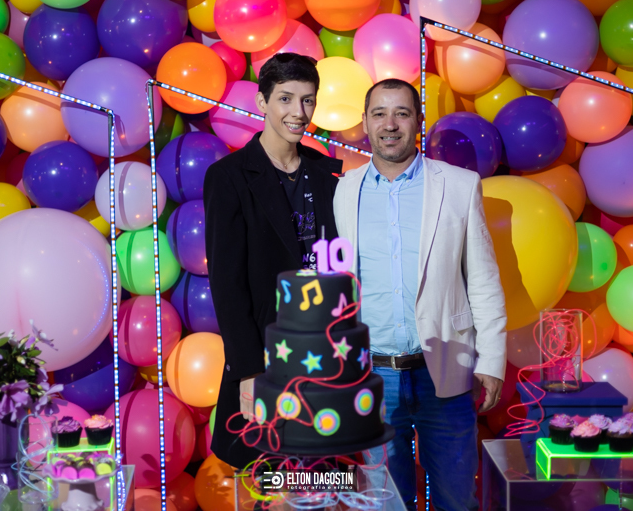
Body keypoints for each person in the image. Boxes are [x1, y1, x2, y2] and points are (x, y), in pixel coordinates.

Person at [332, 79, 507, 510]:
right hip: (373, 376)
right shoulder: (343, 189)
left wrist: (492, 361)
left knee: (456, 500)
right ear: (365, 123)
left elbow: (483, 279)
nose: (390, 124)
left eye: (401, 113)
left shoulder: (460, 185)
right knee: (387, 502)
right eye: (379, 114)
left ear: (418, 120)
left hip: (445, 371)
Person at [204, 53, 343, 469]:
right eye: (285, 99)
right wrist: (248, 371)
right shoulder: (229, 177)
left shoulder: (328, 177)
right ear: (262, 102)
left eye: (307, 100)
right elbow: (227, 284)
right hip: (266, 353)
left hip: (324, 349)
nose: (298, 112)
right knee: (266, 476)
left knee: (322, 476)